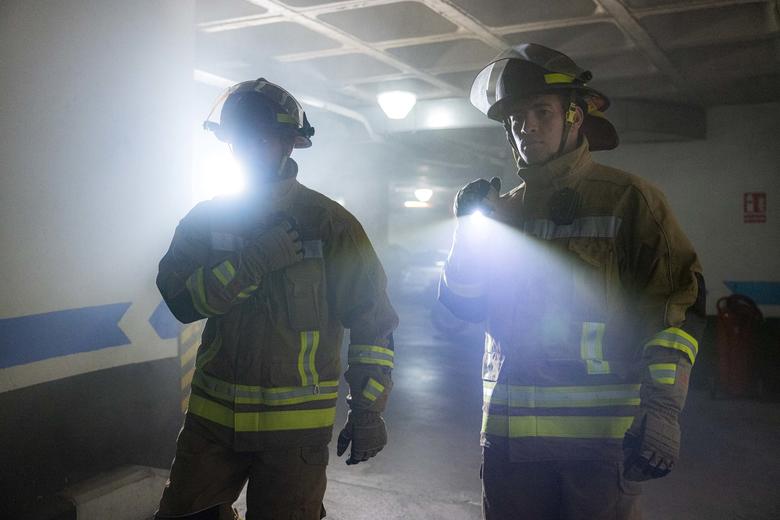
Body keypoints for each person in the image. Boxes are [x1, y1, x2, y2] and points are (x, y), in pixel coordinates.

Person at [439, 44, 706, 520]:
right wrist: (468, 232)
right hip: (508, 447)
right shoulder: (502, 211)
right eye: (516, 117)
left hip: (596, 450)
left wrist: (663, 411)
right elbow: (462, 305)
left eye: (542, 111)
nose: (527, 126)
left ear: (575, 117)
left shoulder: (630, 201)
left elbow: (675, 313)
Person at [155, 78, 398, 520]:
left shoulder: (331, 225)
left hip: (294, 441)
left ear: (289, 143)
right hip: (212, 429)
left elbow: (372, 322)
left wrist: (368, 408)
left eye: (260, 139)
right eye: (238, 140)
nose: (246, 150)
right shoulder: (206, 219)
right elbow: (181, 301)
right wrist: (249, 264)